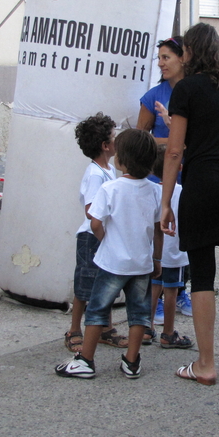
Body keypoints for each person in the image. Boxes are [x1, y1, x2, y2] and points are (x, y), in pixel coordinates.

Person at [161, 22, 219, 386]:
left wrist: (166, 202)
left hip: (204, 184)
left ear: (190, 53)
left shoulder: (186, 89)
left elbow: (173, 150)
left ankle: (205, 363)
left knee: (202, 274)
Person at [55, 129, 162, 379]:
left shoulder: (110, 188)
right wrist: (157, 258)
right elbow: (158, 231)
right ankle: (131, 361)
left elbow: (94, 222)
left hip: (111, 263)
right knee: (138, 313)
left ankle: (86, 360)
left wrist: (106, 241)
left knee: (97, 309)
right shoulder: (155, 191)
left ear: (121, 160)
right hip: (142, 264)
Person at [136, 36, 193, 319]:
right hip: (160, 182)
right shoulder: (152, 96)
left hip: (190, 177)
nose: (160, 63)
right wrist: (171, 140)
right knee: (160, 240)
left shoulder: (196, 91)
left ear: (183, 58)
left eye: (166, 57)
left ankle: (181, 292)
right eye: (159, 58)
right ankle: (155, 298)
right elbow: (139, 140)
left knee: (185, 241)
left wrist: (180, 139)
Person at [65, 113, 128, 353]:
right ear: (105, 145)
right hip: (92, 237)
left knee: (105, 284)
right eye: (113, 137)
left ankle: (105, 329)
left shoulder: (109, 169)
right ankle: (74, 330)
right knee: (85, 287)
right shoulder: (94, 174)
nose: (116, 141)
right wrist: (103, 236)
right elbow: (92, 211)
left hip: (102, 236)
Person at [149, 145, 193, 348]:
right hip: (174, 251)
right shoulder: (183, 192)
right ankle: (168, 332)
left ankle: (146, 329)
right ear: (179, 167)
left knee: (153, 289)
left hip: (154, 252)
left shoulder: (151, 191)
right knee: (172, 291)